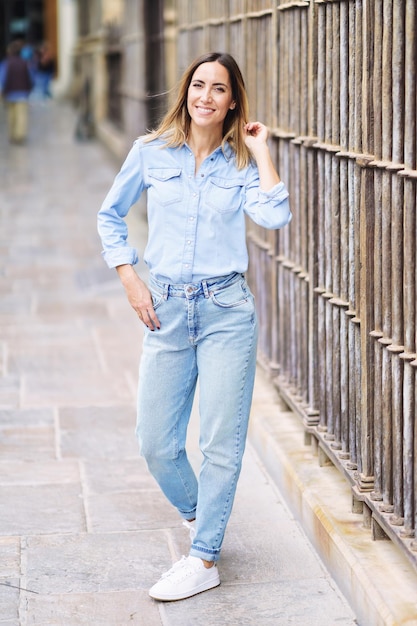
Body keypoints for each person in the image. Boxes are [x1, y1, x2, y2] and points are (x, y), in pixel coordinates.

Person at [97, 51, 292, 602]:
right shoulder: (151, 153)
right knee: (155, 441)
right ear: (186, 92)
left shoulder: (241, 163)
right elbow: (109, 215)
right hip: (166, 308)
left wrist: (262, 150)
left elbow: (274, 216)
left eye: (219, 88)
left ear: (233, 101)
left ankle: (205, 556)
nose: (205, 96)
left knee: (220, 443)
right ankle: (202, 518)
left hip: (227, 311)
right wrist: (131, 279)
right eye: (198, 85)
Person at [0, 40, 34, 144]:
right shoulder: (25, 63)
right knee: (22, 115)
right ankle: (20, 135)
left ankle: (12, 134)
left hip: (10, 93)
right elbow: (31, 78)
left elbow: (2, 78)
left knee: (11, 115)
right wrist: (29, 88)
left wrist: (2, 91)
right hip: (22, 93)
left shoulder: (6, 63)